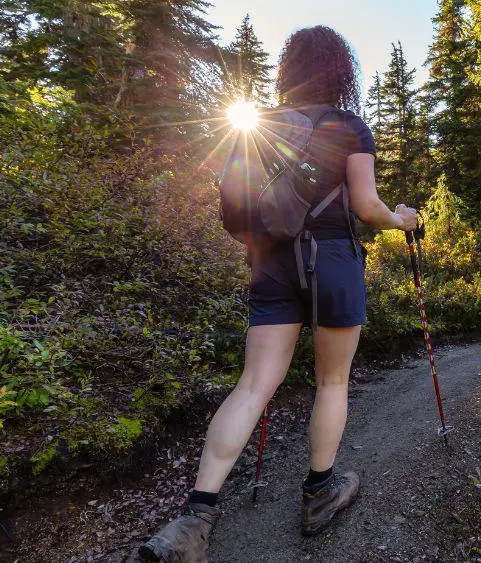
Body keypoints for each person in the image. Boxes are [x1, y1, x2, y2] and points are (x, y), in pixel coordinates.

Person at [139, 25, 418, 561]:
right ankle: (319, 494)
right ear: (340, 70)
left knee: (253, 385)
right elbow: (366, 207)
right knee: (332, 381)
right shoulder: (347, 126)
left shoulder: (261, 126)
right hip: (332, 259)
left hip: (269, 263)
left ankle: (195, 519)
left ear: (289, 69)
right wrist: (401, 219)